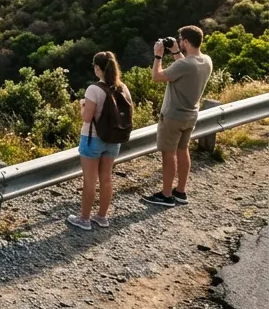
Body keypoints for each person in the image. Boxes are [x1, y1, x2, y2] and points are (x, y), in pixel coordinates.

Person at [143, 25, 213, 207]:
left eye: (181, 40)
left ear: (186, 42)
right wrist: (175, 51)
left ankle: (166, 195)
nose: (179, 42)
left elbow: (157, 76)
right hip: (191, 115)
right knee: (183, 150)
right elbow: (186, 66)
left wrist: (158, 55)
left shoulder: (184, 64)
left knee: (168, 154)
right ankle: (180, 191)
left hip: (173, 115)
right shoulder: (205, 61)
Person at [68, 51, 132, 230]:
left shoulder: (93, 89)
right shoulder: (123, 88)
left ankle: (84, 219)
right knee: (106, 178)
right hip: (114, 139)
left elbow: (87, 118)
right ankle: (102, 217)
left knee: (90, 180)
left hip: (93, 139)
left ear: (97, 68)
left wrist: (82, 106)